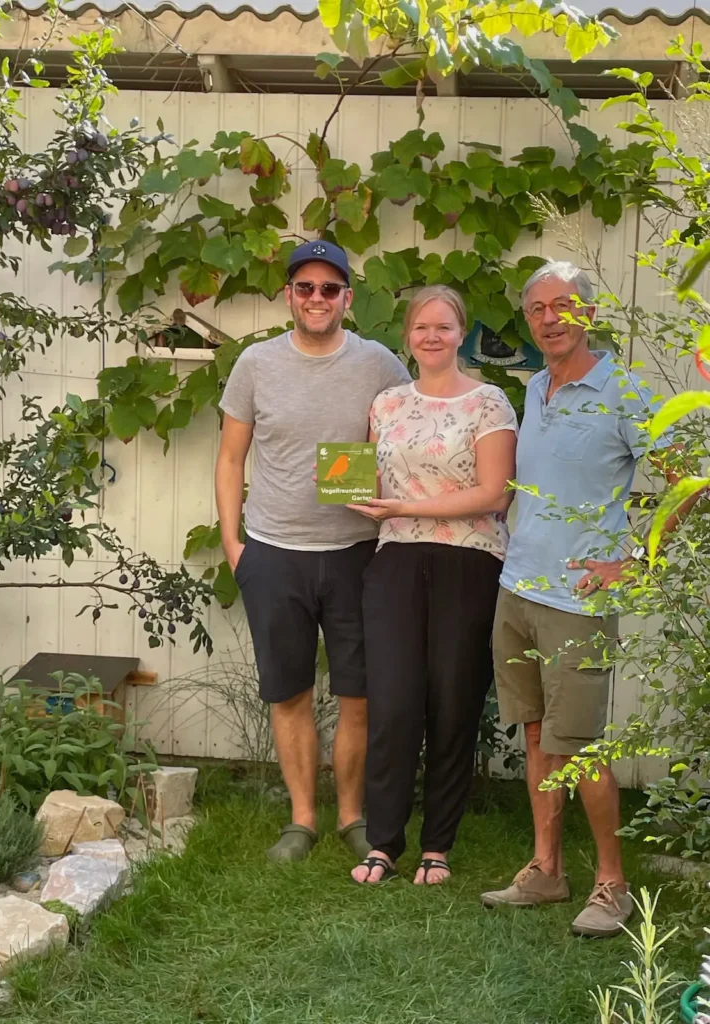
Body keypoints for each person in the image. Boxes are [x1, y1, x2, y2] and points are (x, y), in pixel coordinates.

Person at [481, 260, 669, 937]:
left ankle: (612, 884)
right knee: (537, 736)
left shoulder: (622, 389)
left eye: (564, 305)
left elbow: (685, 481)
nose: (551, 317)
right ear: (527, 321)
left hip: (578, 600)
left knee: (580, 744)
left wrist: (637, 559)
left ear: (589, 313)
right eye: (537, 308)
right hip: (517, 590)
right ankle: (546, 870)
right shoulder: (535, 388)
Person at [215, 239, 410, 864]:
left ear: (347, 298)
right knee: (290, 691)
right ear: (289, 296)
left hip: (357, 551)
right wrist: (233, 544)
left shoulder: (379, 363)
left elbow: (408, 438)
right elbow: (229, 457)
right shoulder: (256, 364)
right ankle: (301, 820)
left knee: (360, 692)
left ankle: (352, 814)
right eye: (306, 288)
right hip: (274, 552)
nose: (317, 298)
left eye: (330, 289)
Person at [347, 285, 518, 886]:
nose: (431, 336)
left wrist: (403, 508)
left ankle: (437, 845)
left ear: (460, 333)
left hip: (468, 562)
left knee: (453, 700)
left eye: (443, 326)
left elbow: (495, 493)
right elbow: (364, 477)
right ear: (408, 335)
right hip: (394, 560)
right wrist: (361, 498)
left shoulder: (489, 403)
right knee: (392, 703)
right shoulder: (387, 404)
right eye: (422, 326)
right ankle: (383, 841)